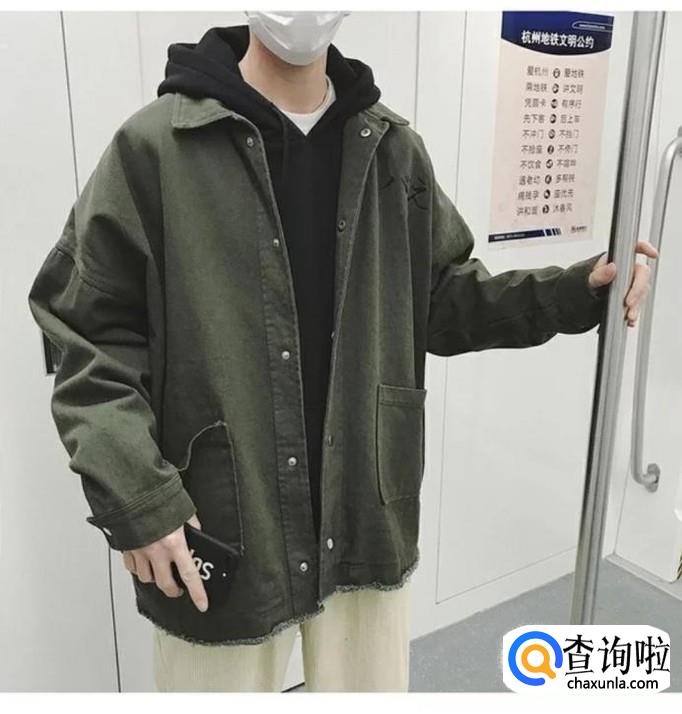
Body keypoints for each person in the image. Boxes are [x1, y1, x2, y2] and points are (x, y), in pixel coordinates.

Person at [27, 11, 657, 693]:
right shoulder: (157, 148)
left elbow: (442, 299)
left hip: (364, 505)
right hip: (219, 517)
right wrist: (139, 498)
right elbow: (84, 330)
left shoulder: (392, 150)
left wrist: (575, 290)